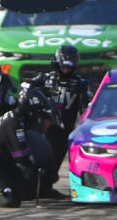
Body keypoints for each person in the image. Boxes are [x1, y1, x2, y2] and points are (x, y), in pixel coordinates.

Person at [0, 87, 59, 208]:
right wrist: (36, 164)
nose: (37, 115)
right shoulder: (14, 124)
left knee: (28, 192)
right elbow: (21, 156)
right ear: (29, 109)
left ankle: (3, 188)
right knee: (11, 200)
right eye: (36, 111)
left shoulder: (18, 118)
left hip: (5, 162)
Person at [28, 45, 90, 186]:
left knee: (54, 165)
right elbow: (25, 91)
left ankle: (45, 187)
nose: (66, 70)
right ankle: (33, 185)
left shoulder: (81, 84)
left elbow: (86, 110)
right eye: (63, 67)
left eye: (69, 67)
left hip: (64, 130)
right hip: (43, 128)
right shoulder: (44, 79)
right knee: (38, 159)